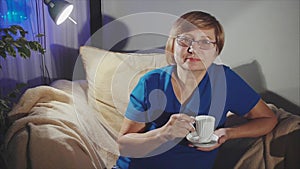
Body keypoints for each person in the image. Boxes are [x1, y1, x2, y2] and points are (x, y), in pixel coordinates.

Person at [115, 11, 278, 169]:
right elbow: (124, 145)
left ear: (216, 51)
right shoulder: (151, 82)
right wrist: (165, 133)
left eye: (205, 42)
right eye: (185, 40)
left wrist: (227, 133)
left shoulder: (225, 80)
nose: (193, 49)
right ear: (173, 46)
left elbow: (267, 119)